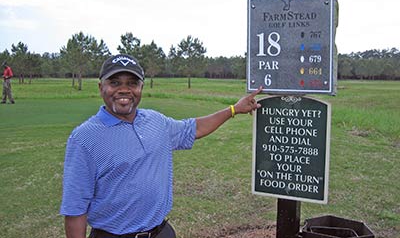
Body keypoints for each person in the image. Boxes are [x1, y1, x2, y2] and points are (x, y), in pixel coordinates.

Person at [60, 54, 262, 238]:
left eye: (132, 83)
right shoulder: (84, 137)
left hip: (161, 232)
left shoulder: (156, 122)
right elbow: (75, 207)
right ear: (100, 87)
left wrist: (234, 109)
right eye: (114, 82)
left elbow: (194, 128)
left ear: (141, 88)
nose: (124, 89)